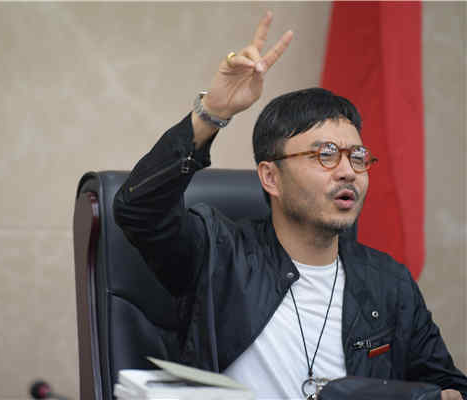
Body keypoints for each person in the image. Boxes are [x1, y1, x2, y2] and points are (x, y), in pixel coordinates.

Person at [112, 11, 467, 400]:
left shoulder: (389, 283)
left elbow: (448, 386)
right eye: (325, 155)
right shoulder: (219, 254)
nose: (348, 171)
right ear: (271, 177)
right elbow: (138, 208)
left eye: (358, 157)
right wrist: (211, 114)